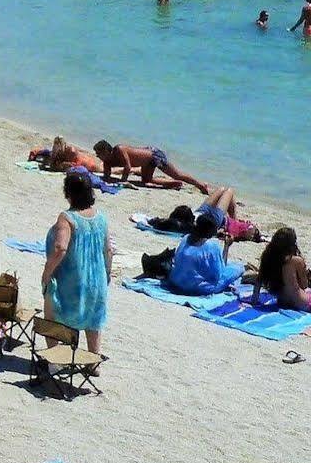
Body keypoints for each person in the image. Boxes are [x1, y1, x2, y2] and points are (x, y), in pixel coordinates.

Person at [41, 171, 112, 361]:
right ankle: (93, 361)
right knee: (93, 320)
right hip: (97, 279)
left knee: (52, 313)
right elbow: (108, 251)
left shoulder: (67, 218)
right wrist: (107, 274)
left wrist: (47, 274)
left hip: (73, 280)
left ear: (68, 192)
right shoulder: (101, 218)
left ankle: (54, 359)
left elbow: (60, 248)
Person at [166, 210, 246, 296]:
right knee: (238, 268)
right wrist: (226, 246)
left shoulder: (186, 238)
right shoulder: (212, 247)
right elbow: (219, 274)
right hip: (195, 288)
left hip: (175, 280)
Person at [89, 139, 210, 193]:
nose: (97, 156)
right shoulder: (107, 162)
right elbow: (106, 176)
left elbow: (128, 167)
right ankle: (174, 183)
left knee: (177, 174)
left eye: (99, 153)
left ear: (106, 151)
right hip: (146, 161)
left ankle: (200, 184)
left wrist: (122, 182)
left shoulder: (119, 149)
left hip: (153, 155)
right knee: (147, 181)